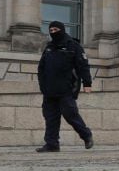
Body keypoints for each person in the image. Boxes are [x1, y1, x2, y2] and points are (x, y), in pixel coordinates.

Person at [37, 20, 94, 152]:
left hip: (66, 89)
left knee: (71, 115)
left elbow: (83, 65)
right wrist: (43, 86)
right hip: (49, 90)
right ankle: (52, 144)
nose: (53, 33)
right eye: (51, 31)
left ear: (62, 30)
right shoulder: (49, 47)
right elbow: (41, 68)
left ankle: (86, 135)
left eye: (56, 30)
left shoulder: (73, 46)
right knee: (50, 118)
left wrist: (87, 83)